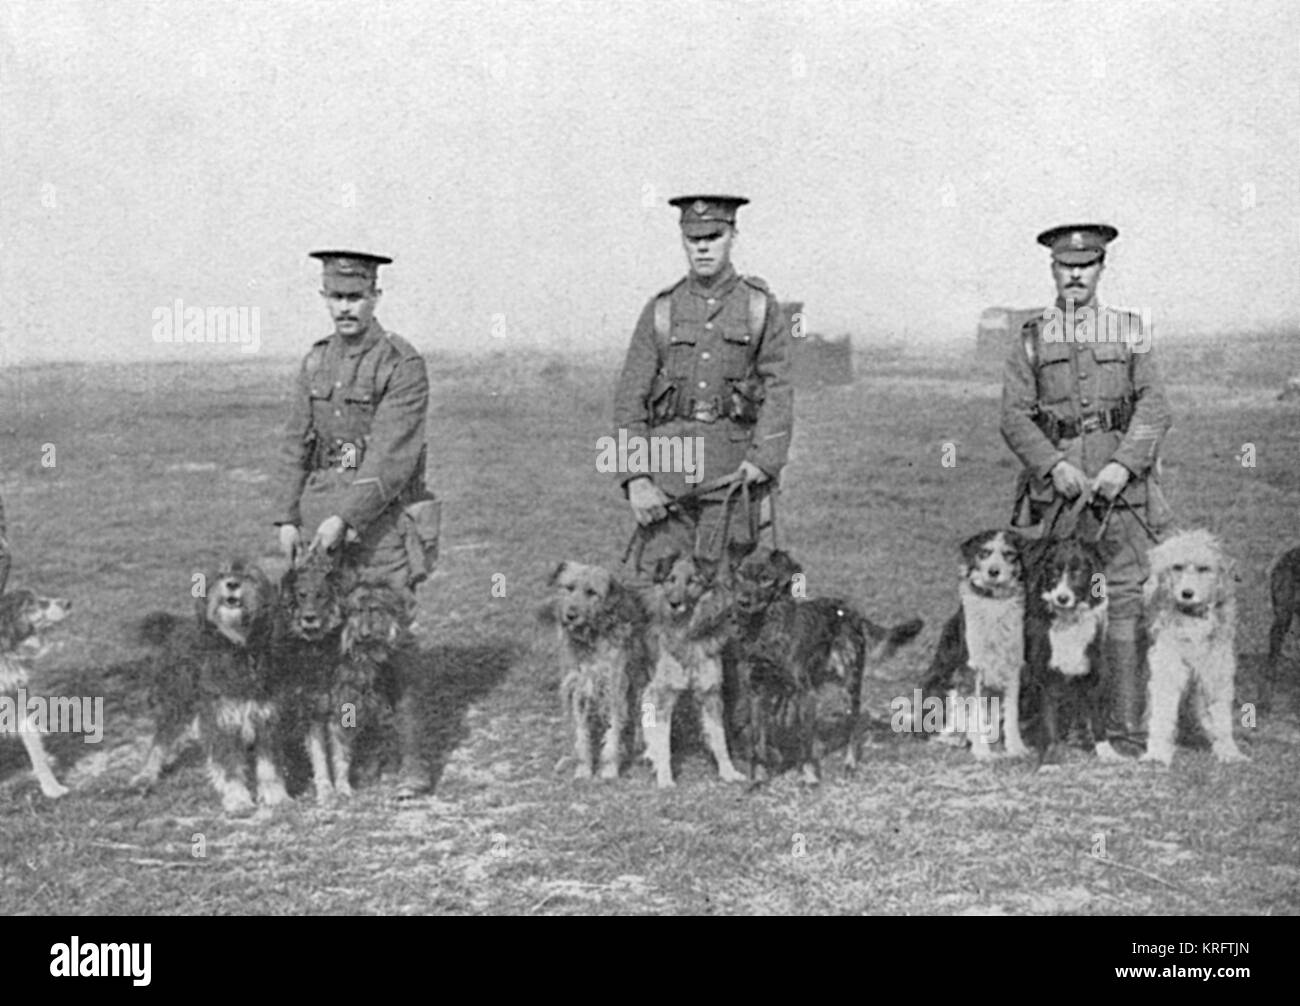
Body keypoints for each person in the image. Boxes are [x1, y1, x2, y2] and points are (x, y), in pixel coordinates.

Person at [1001, 223, 1173, 753]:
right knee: (1049, 598)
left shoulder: (1130, 329)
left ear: (1102, 268)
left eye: (1087, 265)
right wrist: (1052, 465)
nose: (1076, 275)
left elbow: (1155, 404)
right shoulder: (1031, 337)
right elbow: (1013, 416)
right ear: (1052, 269)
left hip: (1121, 493)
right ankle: (1050, 724)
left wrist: (1123, 464)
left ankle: (1122, 731)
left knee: (1120, 600)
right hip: (1059, 498)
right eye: (1065, 266)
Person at [274, 249, 435, 798]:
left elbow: (392, 456)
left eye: (355, 297)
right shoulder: (315, 362)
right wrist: (287, 515)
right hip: (319, 523)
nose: (345, 307)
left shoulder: (400, 363)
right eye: (336, 297)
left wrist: (347, 518)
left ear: (375, 298)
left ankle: (412, 760)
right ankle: (337, 754)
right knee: (319, 642)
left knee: (387, 640)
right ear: (324, 298)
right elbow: (296, 444)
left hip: (380, 528)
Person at [612, 195, 793, 581]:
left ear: (733, 236)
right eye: (694, 238)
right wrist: (636, 478)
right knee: (661, 599)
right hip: (668, 478)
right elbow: (630, 398)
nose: (704, 246)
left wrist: (763, 460)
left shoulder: (760, 307)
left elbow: (779, 389)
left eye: (715, 235)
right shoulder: (661, 310)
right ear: (683, 239)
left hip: (732, 478)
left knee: (727, 598)